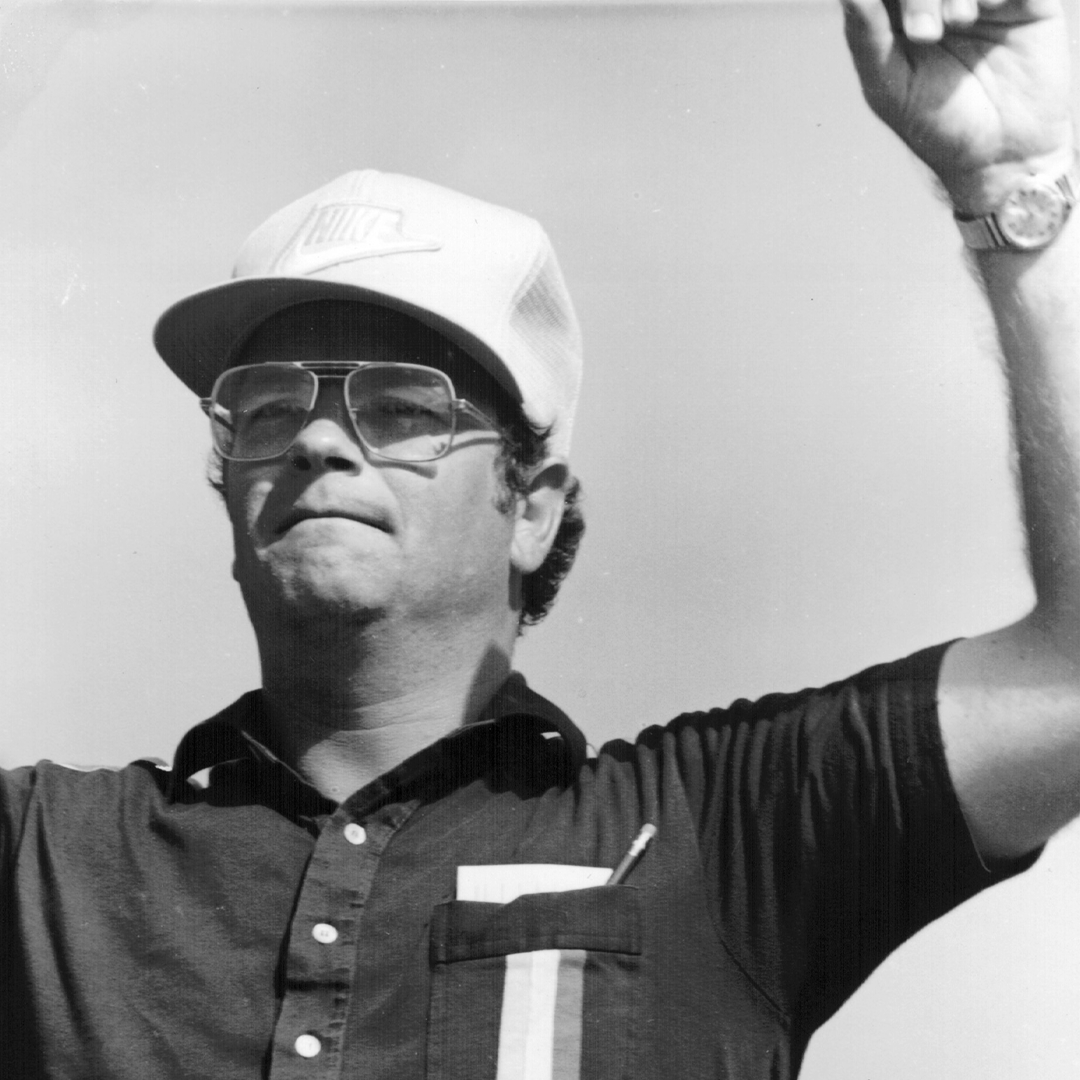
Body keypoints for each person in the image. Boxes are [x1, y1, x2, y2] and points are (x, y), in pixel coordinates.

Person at [1, 0, 1077, 1076]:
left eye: (404, 409)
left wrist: (1012, 184)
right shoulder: (44, 859)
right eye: (269, 407)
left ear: (532, 507)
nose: (320, 438)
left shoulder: (715, 832)